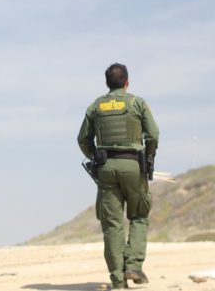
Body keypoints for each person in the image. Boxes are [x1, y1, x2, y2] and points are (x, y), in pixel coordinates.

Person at [77, 63, 159, 290]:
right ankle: (133, 265)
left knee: (112, 225)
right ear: (127, 83)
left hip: (105, 167)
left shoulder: (96, 106)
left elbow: (83, 139)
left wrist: (95, 157)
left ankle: (118, 282)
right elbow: (153, 134)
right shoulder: (136, 103)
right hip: (133, 164)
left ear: (107, 83)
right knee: (140, 216)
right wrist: (149, 158)